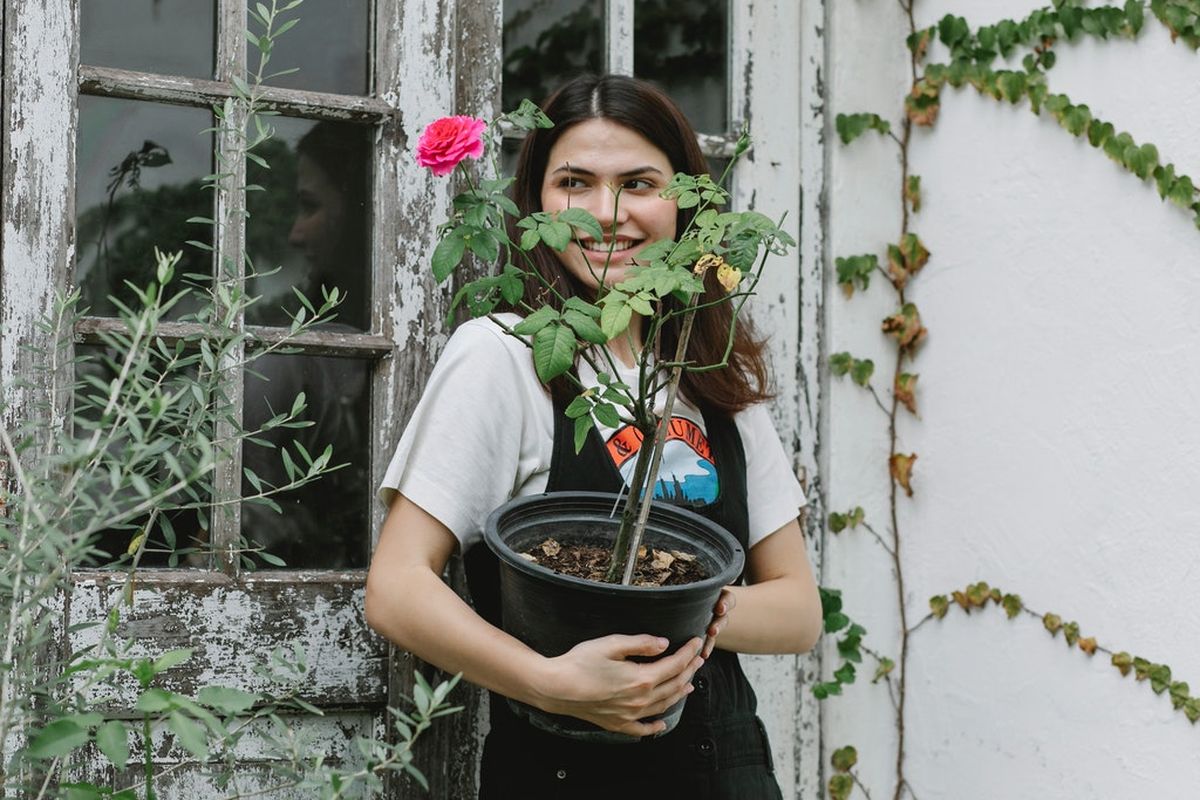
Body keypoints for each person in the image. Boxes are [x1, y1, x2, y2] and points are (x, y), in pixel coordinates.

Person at [365, 74, 821, 799]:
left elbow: (799, 611)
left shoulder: (710, 372)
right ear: (537, 202)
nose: (608, 214)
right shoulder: (507, 355)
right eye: (575, 182)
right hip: (565, 772)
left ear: (685, 202)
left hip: (730, 770)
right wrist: (550, 682)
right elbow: (396, 588)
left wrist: (682, 607)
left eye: (639, 182)